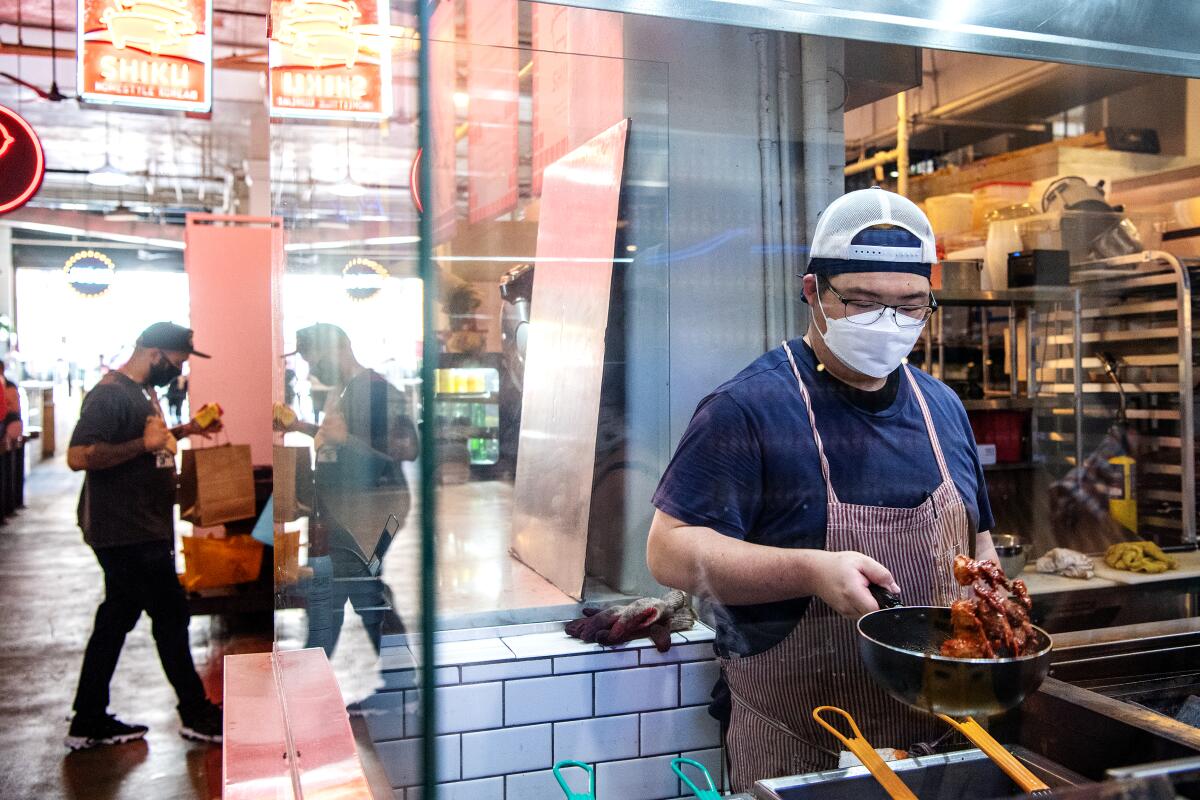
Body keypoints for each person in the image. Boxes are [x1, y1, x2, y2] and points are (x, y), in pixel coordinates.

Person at [646, 188, 998, 790]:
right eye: (862, 302)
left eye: (911, 305)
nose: (888, 323)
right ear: (813, 291)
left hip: (936, 736)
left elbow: (980, 543)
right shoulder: (749, 407)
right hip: (799, 741)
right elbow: (668, 550)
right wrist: (811, 570)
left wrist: (993, 594)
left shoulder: (941, 406)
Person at [65, 322, 224, 751]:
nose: (179, 369)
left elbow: (150, 443)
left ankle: (88, 718)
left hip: (141, 527)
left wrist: (187, 431)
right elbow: (78, 456)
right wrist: (143, 444)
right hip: (126, 531)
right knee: (169, 617)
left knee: (117, 617)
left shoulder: (138, 393)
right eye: (176, 361)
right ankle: (195, 712)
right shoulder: (111, 394)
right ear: (154, 353)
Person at [277, 323, 418, 655]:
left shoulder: (377, 391)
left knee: (337, 595)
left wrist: (345, 441)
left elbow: (407, 450)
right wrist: (302, 427)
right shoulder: (344, 390)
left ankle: (317, 676)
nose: (312, 368)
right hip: (347, 511)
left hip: (373, 510)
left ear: (340, 347)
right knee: (358, 591)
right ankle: (400, 675)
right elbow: (342, 442)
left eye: (316, 359)